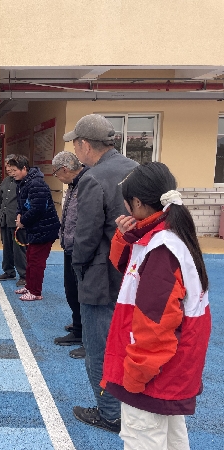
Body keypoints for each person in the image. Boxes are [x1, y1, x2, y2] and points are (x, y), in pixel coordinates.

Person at [102, 162, 211, 448]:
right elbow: (128, 268)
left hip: (155, 371)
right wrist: (125, 236)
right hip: (170, 367)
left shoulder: (161, 249)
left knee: (142, 438)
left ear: (137, 202)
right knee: (172, 439)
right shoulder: (168, 234)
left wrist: (136, 375)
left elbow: (156, 325)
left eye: (127, 202)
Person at [63, 113, 138, 433]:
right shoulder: (136, 169)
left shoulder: (93, 178)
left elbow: (86, 234)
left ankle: (109, 413)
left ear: (84, 145)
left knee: (98, 348)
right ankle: (131, 405)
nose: (75, 151)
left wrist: (77, 267)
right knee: (129, 343)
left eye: (75, 145)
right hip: (134, 272)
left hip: (102, 275)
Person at [7, 154, 60, 301]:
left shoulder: (36, 183)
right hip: (35, 228)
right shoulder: (23, 183)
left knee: (36, 261)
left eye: (14, 170)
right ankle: (29, 286)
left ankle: (35, 292)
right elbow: (21, 204)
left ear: (24, 169)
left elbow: (38, 209)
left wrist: (23, 221)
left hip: (44, 229)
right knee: (30, 258)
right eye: (10, 170)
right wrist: (19, 214)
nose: (12, 173)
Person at [51, 151, 89, 358]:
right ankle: (78, 326)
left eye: (56, 173)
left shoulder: (87, 183)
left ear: (64, 169)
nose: (57, 177)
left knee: (82, 294)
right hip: (70, 247)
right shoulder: (74, 184)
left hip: (81, 248)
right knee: (71, 290)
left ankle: (86, 336)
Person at [0, 154, 27, 286]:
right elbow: (1, 202)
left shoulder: (24, 181)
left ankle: (24, 274)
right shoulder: (5, 181)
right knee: (7, 248)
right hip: (5, 219)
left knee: (19, 249)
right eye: (6, 166)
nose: (8, 169)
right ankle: (9, 271)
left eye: (10, 166)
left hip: (17, 222)